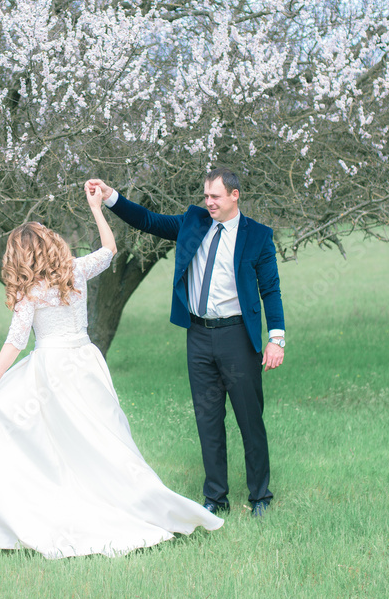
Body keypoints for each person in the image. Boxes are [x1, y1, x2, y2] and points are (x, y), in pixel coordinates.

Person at [0, 182, 224, 558]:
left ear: (19, 257)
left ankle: (50, 505)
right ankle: (125, 498)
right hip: (86, 362)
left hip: (51, 370)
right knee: (101, 439)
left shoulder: (30, 292)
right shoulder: (76, 272)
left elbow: (16, 342)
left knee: (41, 435)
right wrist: (97, 208)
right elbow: (110, 250)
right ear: (50, 246)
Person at [84, 169, 285, 518]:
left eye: (216, 197)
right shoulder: (193, 222)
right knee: (208, 418)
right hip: (199, 336)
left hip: (239, 336)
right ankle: (215, 497)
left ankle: (260, 497)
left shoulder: (258, 237)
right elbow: (147, 220)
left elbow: (270, 289)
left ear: (235, 196)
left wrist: (276, 339)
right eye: (206, 196)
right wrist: (110, 195)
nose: (208, 203)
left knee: (249, 419)